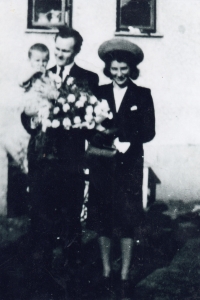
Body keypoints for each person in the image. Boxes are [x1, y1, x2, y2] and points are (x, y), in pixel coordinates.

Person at [21, 28, 99, 299]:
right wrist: (30, 119)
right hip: (42, 161)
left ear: (76, 51)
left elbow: (88, 121)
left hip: (70, 164)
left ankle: (71, 283)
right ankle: (39, 282)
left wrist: (62, 99)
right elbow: (27, 114)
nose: (60, 55)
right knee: (40, 222)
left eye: (66, 51)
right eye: (57, 50)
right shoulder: (42, 72)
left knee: (70, 224)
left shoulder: (88, 78)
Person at [87, 39, 155, 299]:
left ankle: (125, 274)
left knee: (127, 219)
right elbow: (89, 126)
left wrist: (126, 140)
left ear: (132, 68)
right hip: (103, 163)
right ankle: (106, 270)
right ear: (108, 68)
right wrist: (103, 137)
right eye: (114, 68)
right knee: (102, 218)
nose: (119, 74)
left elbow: (149, 130)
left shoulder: (142, 94)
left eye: (124, 68)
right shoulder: (99, 93)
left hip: (129, 164)